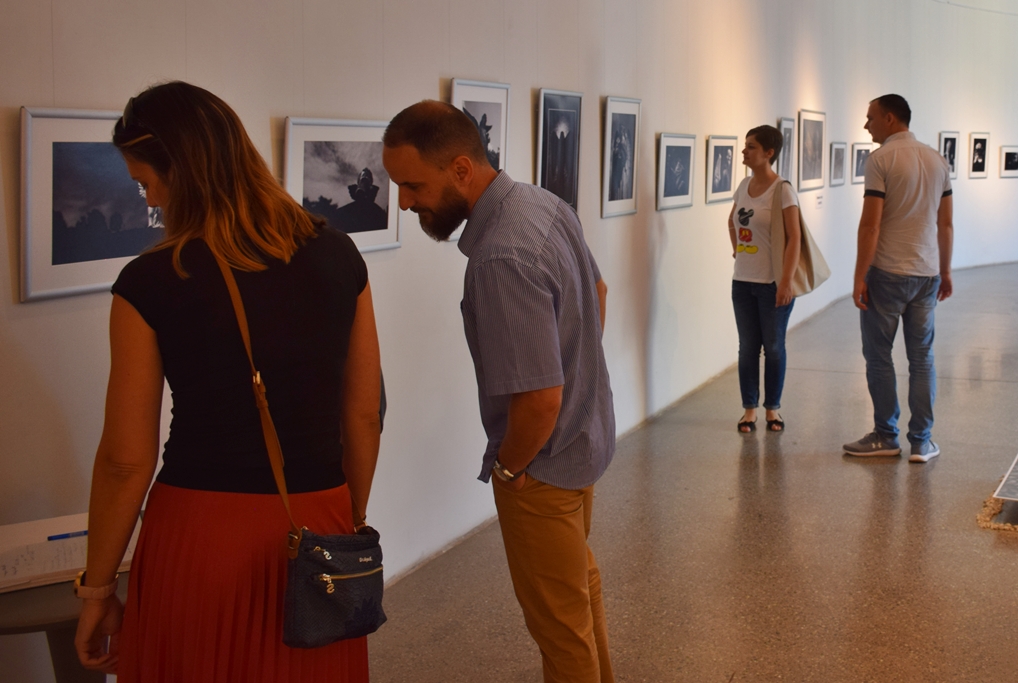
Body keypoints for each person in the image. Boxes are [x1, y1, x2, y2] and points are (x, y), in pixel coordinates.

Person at [74, 81, 381, 682]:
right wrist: (344, 521)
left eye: (147, 182)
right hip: (317, 514)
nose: (150, 201)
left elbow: (123, 461)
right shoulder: (339, 254)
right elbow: (364, 411)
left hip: (200, 536)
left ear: (182, 172)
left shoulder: (152, 279)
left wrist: (97, 589)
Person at [382, 100, 615, 683]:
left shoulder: (500, 255)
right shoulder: (542, 203)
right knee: (578, 597)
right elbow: (600, 291)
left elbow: (538, 399)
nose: (406, 202)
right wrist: (574, 372)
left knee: (560, 631)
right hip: (583, 443)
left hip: (541, 465)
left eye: (413, 185)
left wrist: (511, 471)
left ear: (461, 169)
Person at [843, 94, 953, 462]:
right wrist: (946, 270)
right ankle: (921, 442)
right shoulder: (937, 160)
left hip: (888, 273)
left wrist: (860, 276)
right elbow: (945, 223)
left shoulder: (880, 159)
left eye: (870, 117)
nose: (866, 124)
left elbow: (871, 224)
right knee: (922, 359)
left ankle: (886, 436)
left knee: (879, 358)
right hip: (926, 273)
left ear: (890, 119)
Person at [728, 125, 802, 433]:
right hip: (742, 282)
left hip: (772, 283)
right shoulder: (744, 185)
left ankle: (773, 409)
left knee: (773, 346)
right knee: (747, 347)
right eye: (745, 146)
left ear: (768, 153)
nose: (744, 151)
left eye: (751, 147)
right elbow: (731, 222)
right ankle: (749, 410)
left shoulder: (782, 190)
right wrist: (738, 252)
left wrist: (786, 281)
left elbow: (794, 237)